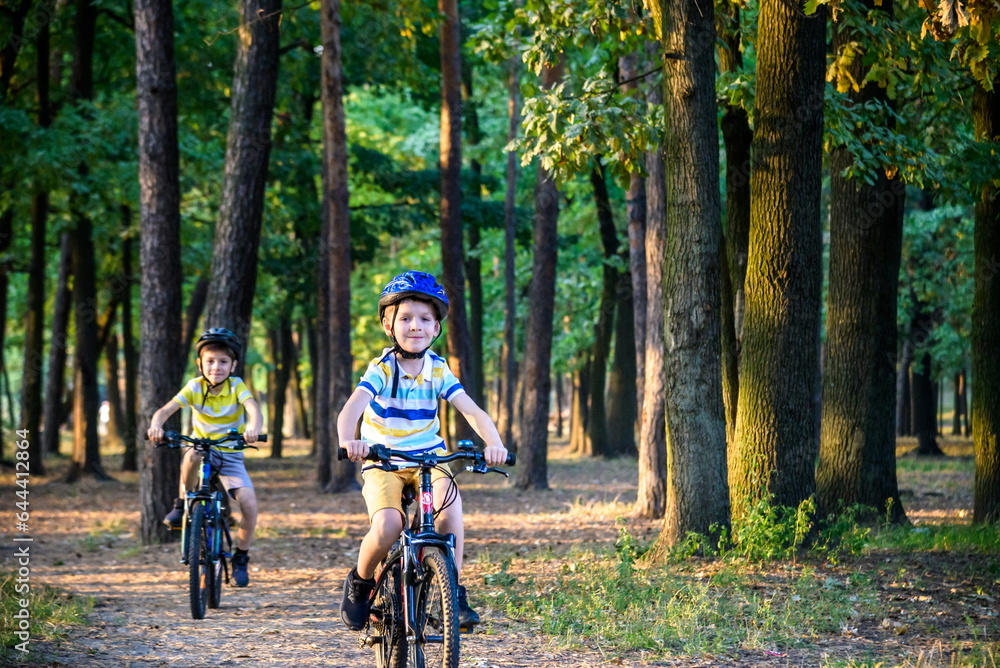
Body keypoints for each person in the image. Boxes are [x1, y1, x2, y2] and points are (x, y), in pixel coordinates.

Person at [337, 270, 508, 632]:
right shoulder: (383, 368)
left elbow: (472, 410)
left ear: (435, 329)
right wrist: (349, 440)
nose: (415, 326)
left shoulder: (438, 369)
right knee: (388, 524)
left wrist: (494, 443)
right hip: (383, 459)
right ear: (389, 325)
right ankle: (362, 582)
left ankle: (454, 591)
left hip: (429, 458)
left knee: (450, 507)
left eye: (425, 319)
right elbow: (352, 408)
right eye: (406, 318)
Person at [147, 328, 263, 587]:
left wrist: (254, 428)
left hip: (230, 453)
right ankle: (181, 505)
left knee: (249, 504)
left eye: (223, 361)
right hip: (200, 447)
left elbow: (253, 408)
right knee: (191, 455)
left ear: (233, 365)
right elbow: (164, 410)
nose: (216, 367)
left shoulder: (236, 386)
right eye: (210, 361)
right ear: (200, 364)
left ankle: (241, 557)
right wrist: (156, 426)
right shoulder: (194, 387)